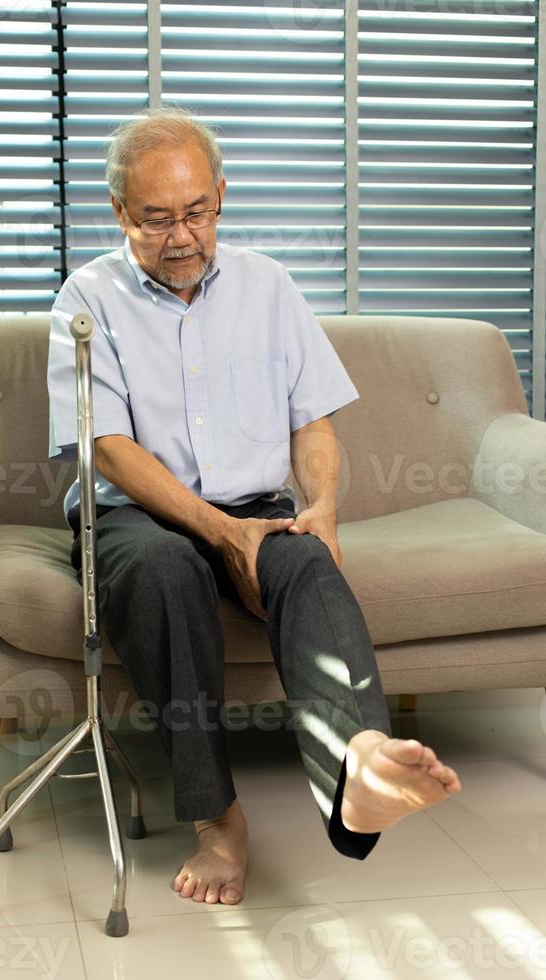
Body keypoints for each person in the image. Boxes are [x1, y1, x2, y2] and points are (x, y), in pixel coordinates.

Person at [47, 107, 461, 908]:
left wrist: (325, 507)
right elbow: (109, 449)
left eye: (198, 211)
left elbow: (312, 418)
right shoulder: (85, 297)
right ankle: (217, 821)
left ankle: (362, 761)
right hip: (134, 516)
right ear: (120, 214)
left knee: (304, 557)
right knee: (169, 570)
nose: (182, 236)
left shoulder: (269, 285)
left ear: (222, 198)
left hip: (255, 503)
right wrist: (219, 532)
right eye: (157, 218)